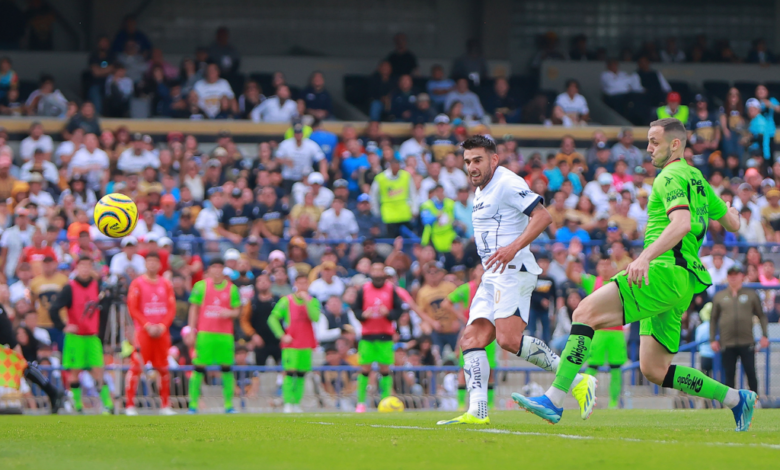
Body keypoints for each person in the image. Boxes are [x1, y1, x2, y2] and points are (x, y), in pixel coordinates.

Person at [513, 118, 756, 432]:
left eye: (655, 141)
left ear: (676, 144)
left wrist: (644, 257)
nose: (649, 148)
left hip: (662, 272)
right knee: (654, 369)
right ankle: (736, 399)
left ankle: (554, 399)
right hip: (682, 282)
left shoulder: (668, 176)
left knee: (584, 312)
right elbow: (733, 224)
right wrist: (729, 209)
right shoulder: (697, 178)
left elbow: (680, 224)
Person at [438, 135, 594, 426]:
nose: (471, 167)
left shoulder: (507, 183)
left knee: (508, 340)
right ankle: (478, 411)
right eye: (468, 161)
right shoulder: (481, 191)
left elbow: (543, 216)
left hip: (514, 270)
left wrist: (513, 247)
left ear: (494, 159)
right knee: (471, 339)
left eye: (478, 160)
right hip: (492, 274)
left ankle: (576, 379)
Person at [49, 256, 113, 413]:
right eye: (82, 265)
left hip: (92, 336)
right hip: (75, 337)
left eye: (88, 265)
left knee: (98, 370)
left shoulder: (97, 286)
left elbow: (106, 307)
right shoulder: (69, 288)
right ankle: (77, 405)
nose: (85, 269)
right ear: (76, 267)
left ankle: (108, 405)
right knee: (75, 372)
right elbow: (53, 309)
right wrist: (63, 326)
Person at [567, 255, 626, 409]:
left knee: (616, 368)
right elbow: (570, 275)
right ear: (598, 267)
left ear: (614, 267)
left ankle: (614, 402)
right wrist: (572, 257)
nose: (605, 267)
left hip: (617, 332)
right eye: (602, 264)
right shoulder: (593, 281)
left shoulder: (619, 281)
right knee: (592, 366)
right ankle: (586, 398)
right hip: (598, 331)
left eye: (608, 264)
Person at [187, 258, 241, 414]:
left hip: (225, 335)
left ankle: (229, 405)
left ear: (223, 270)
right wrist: (191, 330)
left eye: (220, 267)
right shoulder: (201, 286)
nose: (217, 270)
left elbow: (237, 311)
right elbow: (194, 309)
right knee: (198, 368)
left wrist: (229, 312)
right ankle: (193, 405)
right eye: (214, 267)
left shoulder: (231, 289)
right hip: (205, 333)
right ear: (209, 269)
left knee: (226, 368)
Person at [125, 253, 176, 416]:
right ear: (145, 264)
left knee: (163, 368)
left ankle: (165, 405)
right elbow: (133, 308)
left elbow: (171, 308)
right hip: (143, 333)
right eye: (149, 261)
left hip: (161, 333)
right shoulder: (137, 284)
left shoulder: (166, 284)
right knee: (136, 367)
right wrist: (147, 325)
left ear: (160, 265)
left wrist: (162, 326)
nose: (152, 264)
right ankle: (130, 405)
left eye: (155, 261)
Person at [441, 264, 498, 410]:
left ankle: (490, 404)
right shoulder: (467, 288)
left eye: (485, 269)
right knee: (464, 368)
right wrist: (462, 317)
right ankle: (461, 404)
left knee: (490, 368)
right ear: (474, 272)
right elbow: (446, 302)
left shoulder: (493, 287)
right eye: (479, 269)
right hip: (471, 331)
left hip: (490, 330)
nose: (482, 272)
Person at [352, 262, 404, 413]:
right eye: (374, 270)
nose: (377, 273)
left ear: (383, 273)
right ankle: (361, 403)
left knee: (385, 369)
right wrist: (362, 315)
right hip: (367, 335)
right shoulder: (364, 289)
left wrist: (388, 314)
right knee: (365, 369)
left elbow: (399, 310)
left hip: (385, 335)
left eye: (379, 270)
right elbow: (355, 309)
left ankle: (385, 400)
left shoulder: (391, 289)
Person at [710, 266, 769, 394]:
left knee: (751, 372)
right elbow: (713, 319)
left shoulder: (751, 295)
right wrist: (712, 339)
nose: (733, 277)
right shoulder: (720, 296)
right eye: (730, 274)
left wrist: (765, 335)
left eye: (736, 274)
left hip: (746, 341)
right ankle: (730, 404)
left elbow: (761, 315)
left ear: (742, 276)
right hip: (727, 342)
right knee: (729, 374)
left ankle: (754, 401)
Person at [267, 274, 321, 413]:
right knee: (290, 373)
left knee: (302, 375)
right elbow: (273, 318)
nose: (302, 286)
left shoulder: (313, 301)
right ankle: (287, 403)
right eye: (300, 283)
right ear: (295, 284)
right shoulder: (286, 301)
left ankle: (297, 403)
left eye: (305, 283)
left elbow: (315, 317)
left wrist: (306, 301)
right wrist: (281, 335)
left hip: (306, 343)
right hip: (291, 344)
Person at [0, 297, 64, 413]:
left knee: (23, 366)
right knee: (23, 366)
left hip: (5, 348)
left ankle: (52, 392)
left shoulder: (2, 319)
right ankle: (53, 392)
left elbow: (11, 340)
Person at [240, 274, 281, 366]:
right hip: (259, 341)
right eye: (260, 281)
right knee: (259, 370)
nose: (263, 283)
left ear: (270, 283)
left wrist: (283, 335)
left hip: (278, 341)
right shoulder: (251, 303)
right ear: (256, 285)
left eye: (265, 281)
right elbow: (244, 320)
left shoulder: (279, 300)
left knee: (282, 370)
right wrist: (253, 335)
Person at [370, 157, 416, 238]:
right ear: (390, 166)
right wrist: (376, 211)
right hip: (388, 214)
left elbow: (413, 193)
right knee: (391, 239)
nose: (396, 169)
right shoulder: (380, 178)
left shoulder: (406, 176)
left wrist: (414, 209)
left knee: (407, 239)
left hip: (404, 213)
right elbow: (373, 196)